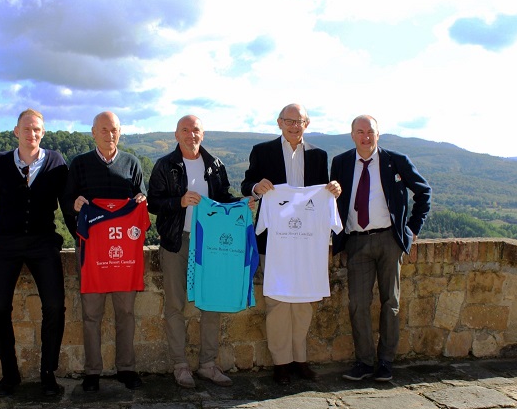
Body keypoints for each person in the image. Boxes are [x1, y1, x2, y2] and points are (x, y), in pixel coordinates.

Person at [148, 114, 252, 388]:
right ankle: (180, 366)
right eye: (185, 130)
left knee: (212, 302)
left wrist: (242, 204)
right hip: (176, 242)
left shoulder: (215, 165)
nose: (190, 134)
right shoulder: (164, 165)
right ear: (176, 134)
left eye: (195, 130)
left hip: (210, 244)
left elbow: (224, 199)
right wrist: (179, 201)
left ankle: (207, 365)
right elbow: (153, 203)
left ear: (202, 134)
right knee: (175, 305)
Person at [241, 103, 341, 386]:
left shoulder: (319, 155)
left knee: (303, 302)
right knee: (277, 303)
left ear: (307, 124)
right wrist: (256, 188)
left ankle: (300, 359)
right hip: (274, 240)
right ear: (279, 122)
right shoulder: (262, 151)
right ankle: (281, 363)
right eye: (289, 121)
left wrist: (333, 189)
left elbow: (323, 193)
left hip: (307, 242)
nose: (295, 126)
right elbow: (247, 183)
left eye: (300, 121)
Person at [0, 108, 74, 397]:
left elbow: (67, 203)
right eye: (26, 128)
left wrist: (82, 237)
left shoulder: (56, 161)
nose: (31, 133)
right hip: (5, 243)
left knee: (55, 306)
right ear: (16, 132)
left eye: (36, 129)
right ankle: (10, 374)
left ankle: (48, 374)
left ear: (42, 133)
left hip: (43, 242)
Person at [331, 115, 431, 382]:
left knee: (391, 302)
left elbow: (424, 192)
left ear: (378, 134)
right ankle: (364, 362)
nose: (366, 137)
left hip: (389, 240)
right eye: (360, 132)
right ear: (352, 135)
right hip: (356, 241)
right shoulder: (340, 162)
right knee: (358, 304)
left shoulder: (396, 161)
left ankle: (386, 362)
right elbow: (333, 200)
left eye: (370, 132)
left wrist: (412, 229)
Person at [64, 111, 147, 392]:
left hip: (124, 253)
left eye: (114, 130)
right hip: (91, 252)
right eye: (104, 130)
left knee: (126, 312)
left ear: (120, 132)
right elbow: (67, 201)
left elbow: (141, 197)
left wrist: (141, 199)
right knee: (91, 314)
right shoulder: (80, 164)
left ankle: (126, 368)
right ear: (93, 132)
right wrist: (76, 211)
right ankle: (92, 372)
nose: (109, 135)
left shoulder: (132, 163)